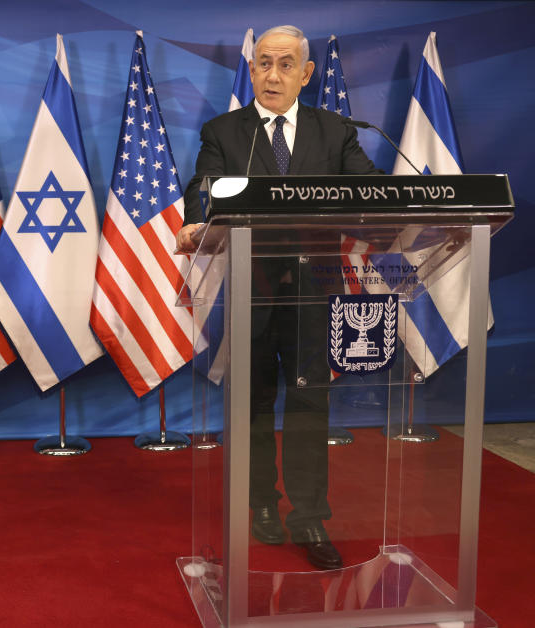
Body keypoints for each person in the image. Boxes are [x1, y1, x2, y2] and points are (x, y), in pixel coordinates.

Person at [180, 25, 381, 570]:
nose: (273, 74)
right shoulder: (225, 130)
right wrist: (196, 225)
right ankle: (261, 504)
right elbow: (203, 191)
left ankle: (309, 516)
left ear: (306, 74)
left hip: (316, 293)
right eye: (264, 63)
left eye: (285, 64)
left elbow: (372, 192)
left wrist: (389, 212)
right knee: (253, 406)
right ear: (251, 69)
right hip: (253, 290)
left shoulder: (334, 130)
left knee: (311, 406)